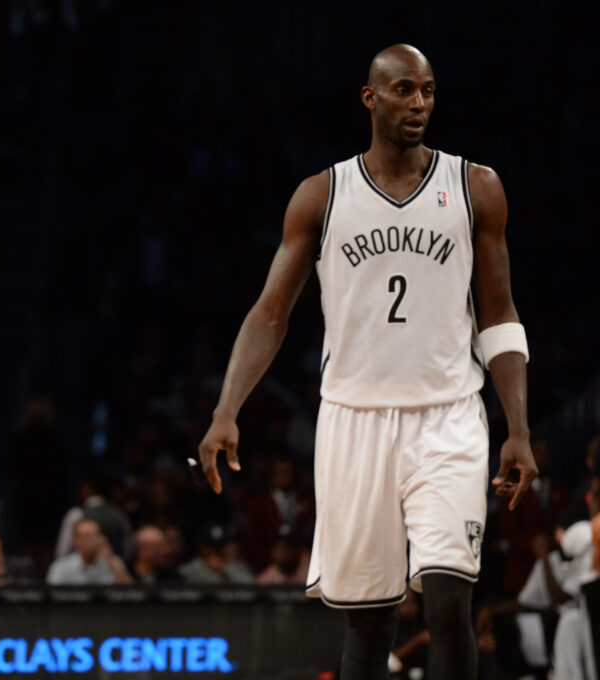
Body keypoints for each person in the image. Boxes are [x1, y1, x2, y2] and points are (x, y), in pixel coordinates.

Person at [197, 45, 536, 680]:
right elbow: (270, 313)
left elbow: (499, 312)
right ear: (370, 97)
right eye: (404, 90)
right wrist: (226, 410)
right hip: (353, 420)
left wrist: (516, 426)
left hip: (449, 417)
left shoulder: (475, 187)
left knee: (447, 601)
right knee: (369, 621)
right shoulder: (322, 195)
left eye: (428, 91)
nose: (419, 103)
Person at [46, 519, 132, 585]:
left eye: (96, 535)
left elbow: (131, 592)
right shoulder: (61, 567)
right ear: (75, 540)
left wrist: (109, 559)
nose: (92, 541)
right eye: (87, 537)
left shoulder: (113, 562)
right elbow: (53, 597)